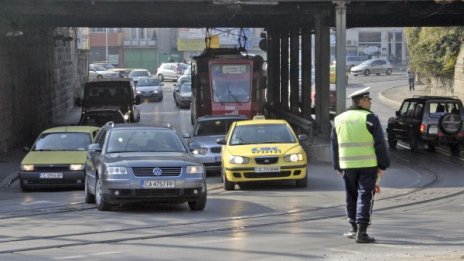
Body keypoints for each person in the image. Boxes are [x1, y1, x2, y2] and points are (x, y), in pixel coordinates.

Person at [330, 87, 390, 244]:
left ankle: (353, 228)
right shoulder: (370, 118)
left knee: (351, 195)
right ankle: (362, 232)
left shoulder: (339, 119)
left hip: (347, 166)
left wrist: (337, 166)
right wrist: (382, 165)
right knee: (365, 195)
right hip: (367, 165)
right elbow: (380, 144)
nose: (370, 103)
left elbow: (334, 145)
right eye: (368, 100)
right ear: (361, 101)